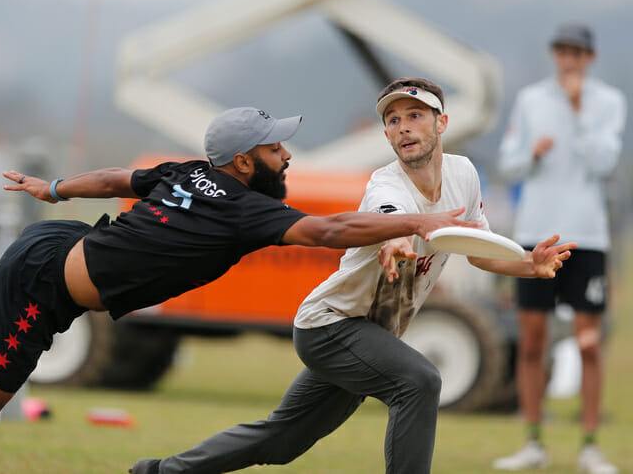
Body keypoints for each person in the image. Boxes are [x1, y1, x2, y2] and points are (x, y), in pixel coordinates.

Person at [0, 106, 477, 474]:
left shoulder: (193, 171)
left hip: (53, 246)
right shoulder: (245, 208)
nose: (289, 158)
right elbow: (335, 228)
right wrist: (423, 221)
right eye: (278, 149)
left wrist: (54, 190)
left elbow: (122, 177)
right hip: (48, 284)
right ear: (245, 161)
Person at [130, 79, 577, 474]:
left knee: (281, 441)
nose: (403, 126)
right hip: (330, 326)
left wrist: (528, 264)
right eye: (393, 119)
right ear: (386, 135)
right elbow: (388, 219)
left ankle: (158, 472)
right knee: (420, 381)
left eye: (415, 115)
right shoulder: (385, 186)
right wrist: (393, 242)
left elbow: (476, 252)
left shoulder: (462, 175)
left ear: (442, 124)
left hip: (368, 333)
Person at [492, 24, 626, 473]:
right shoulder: (531, 100)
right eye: (563, 51)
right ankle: (533, 441)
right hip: (536, 234)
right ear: (555, 54)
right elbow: (508, 164)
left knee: (589, 343)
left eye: (578, 52)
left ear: (589, 58)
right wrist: (532, 151)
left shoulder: (608, 102)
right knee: (532, 341)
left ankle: (589, 445)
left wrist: (576, 109)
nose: (570, 59)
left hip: (587, 236)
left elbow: (604, 163)